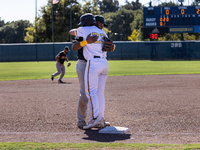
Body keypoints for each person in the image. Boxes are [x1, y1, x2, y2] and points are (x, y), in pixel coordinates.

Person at [69, 13, 115, 129]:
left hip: (93, 63)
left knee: (92, 92)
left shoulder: (95, 32)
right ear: (95, 22)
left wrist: (112, 47)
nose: (102, 26)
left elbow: (110, 46)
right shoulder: (88, 31)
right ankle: (83, 120)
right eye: (101, 23)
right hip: (85, 63)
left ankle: (97, 118)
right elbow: (74, 47)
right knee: (87, 93)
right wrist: (86, 42)